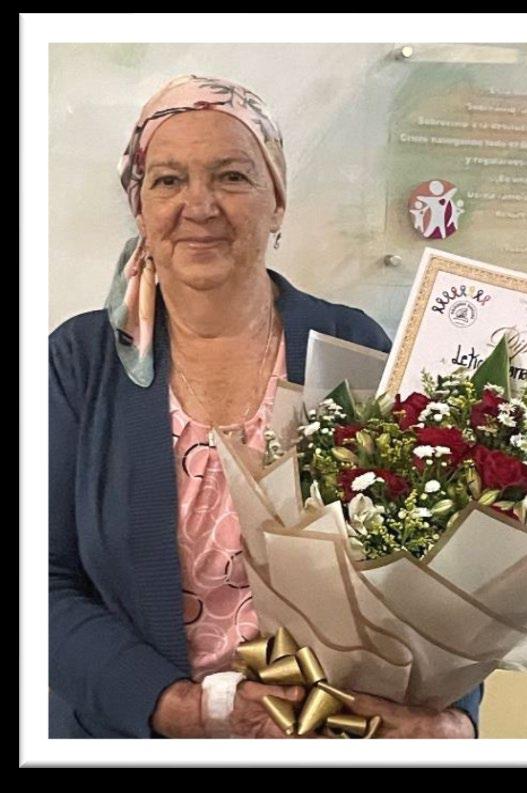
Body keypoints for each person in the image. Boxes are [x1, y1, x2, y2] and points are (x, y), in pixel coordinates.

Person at [49, 74, 483, 739]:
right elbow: (42, 582)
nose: (198, 205)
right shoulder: (79, 362)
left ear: (276, 200)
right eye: (167, 181)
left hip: (333, 734)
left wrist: (453, 719)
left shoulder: (352, 343)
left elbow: (439, 556)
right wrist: (182, 708)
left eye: (231, 176)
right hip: (131, 735)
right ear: (140, 207)